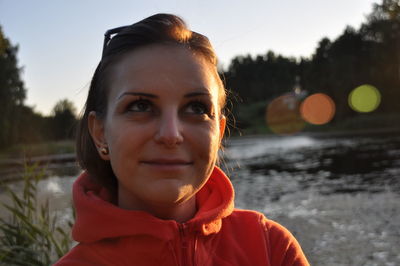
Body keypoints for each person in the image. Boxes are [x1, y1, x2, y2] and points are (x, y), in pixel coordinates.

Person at [55, 13, 309, 265]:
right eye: (140, 106)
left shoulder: (271, 248)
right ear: (100, 133)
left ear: (218, 133)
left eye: (197, 108)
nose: (170, 135)